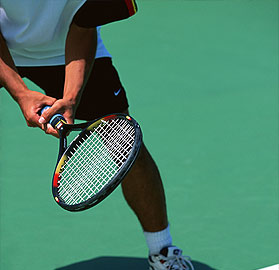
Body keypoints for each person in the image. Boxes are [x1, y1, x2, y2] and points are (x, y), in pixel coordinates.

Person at [0, 1, 194, 269]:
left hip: (63, 49)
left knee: (124, 143)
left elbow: (84, 25)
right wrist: (21, 94)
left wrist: (70, 99)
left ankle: (162, 251)